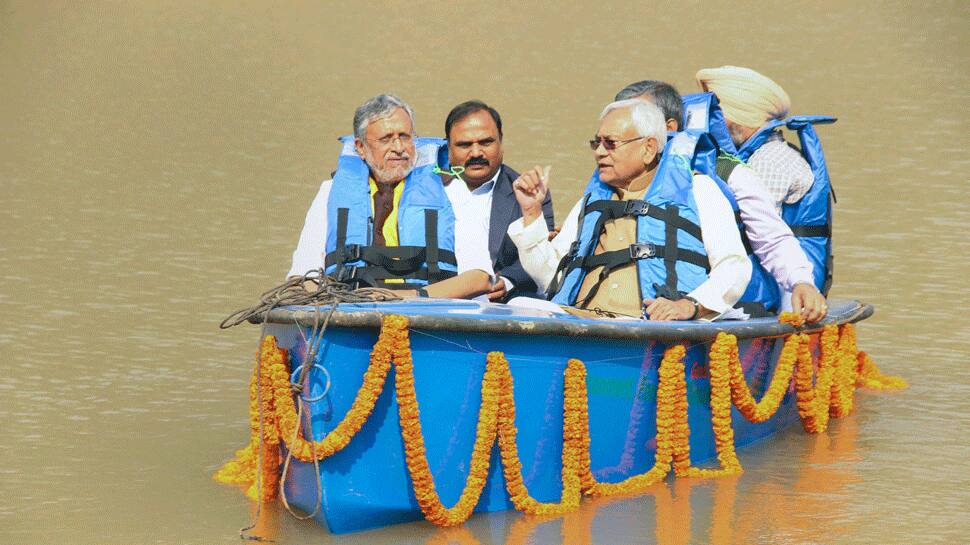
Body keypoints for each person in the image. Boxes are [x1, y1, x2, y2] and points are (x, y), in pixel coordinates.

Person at [508, 100, 751, 321]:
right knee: (518, 305)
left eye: (610, 143)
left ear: (648, 148)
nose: (599, 152)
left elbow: (734, 266)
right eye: (597, 143)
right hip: (581, 322)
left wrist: (691, 305)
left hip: (645, 327)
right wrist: (531, 214)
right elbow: (549, 278)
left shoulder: (698, 190)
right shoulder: (591, 202)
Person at [615, 79, 827, 321]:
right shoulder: (612, 176)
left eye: (635, 122)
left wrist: (802, 282)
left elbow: (772, 238)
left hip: (711, 308)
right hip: (626, 306)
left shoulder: (728, 173)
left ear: (669, 127)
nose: (621, 133)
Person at [287, 94, 493, 298]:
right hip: (348, 309)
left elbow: (479, 276)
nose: (398, 148)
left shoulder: (452, 190)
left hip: (429, 310)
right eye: (386, 139)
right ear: (360, 147)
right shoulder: (330, 192)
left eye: (404, 136)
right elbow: (301, 277)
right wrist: (337, 300)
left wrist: (410, 297)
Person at [441, 100, 555, 302]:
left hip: (498, 305)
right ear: (448, 147)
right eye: (464, 145)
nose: (476, 153)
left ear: (501, 142)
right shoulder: (428, 189)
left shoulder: (531, 194)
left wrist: (508, 281)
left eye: (486, 142)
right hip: (433, 299)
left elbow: (542, 256)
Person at [695, 66, 814, 215]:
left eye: (714, 115)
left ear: (740, 116)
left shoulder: (768, 162)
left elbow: (764, 233)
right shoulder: (767, 153)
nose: (709, 124)